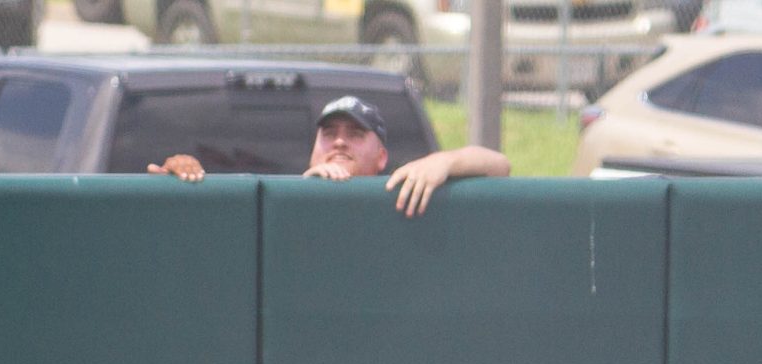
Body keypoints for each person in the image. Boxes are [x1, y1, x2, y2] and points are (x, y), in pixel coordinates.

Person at [150, 95, 510, 217]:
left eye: (355, 135)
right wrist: (181, 178)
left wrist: (443, 162)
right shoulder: (273, 201)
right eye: (329, 134)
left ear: (381, 157)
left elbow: (499, 167)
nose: (340, 142)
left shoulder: (402, 192)